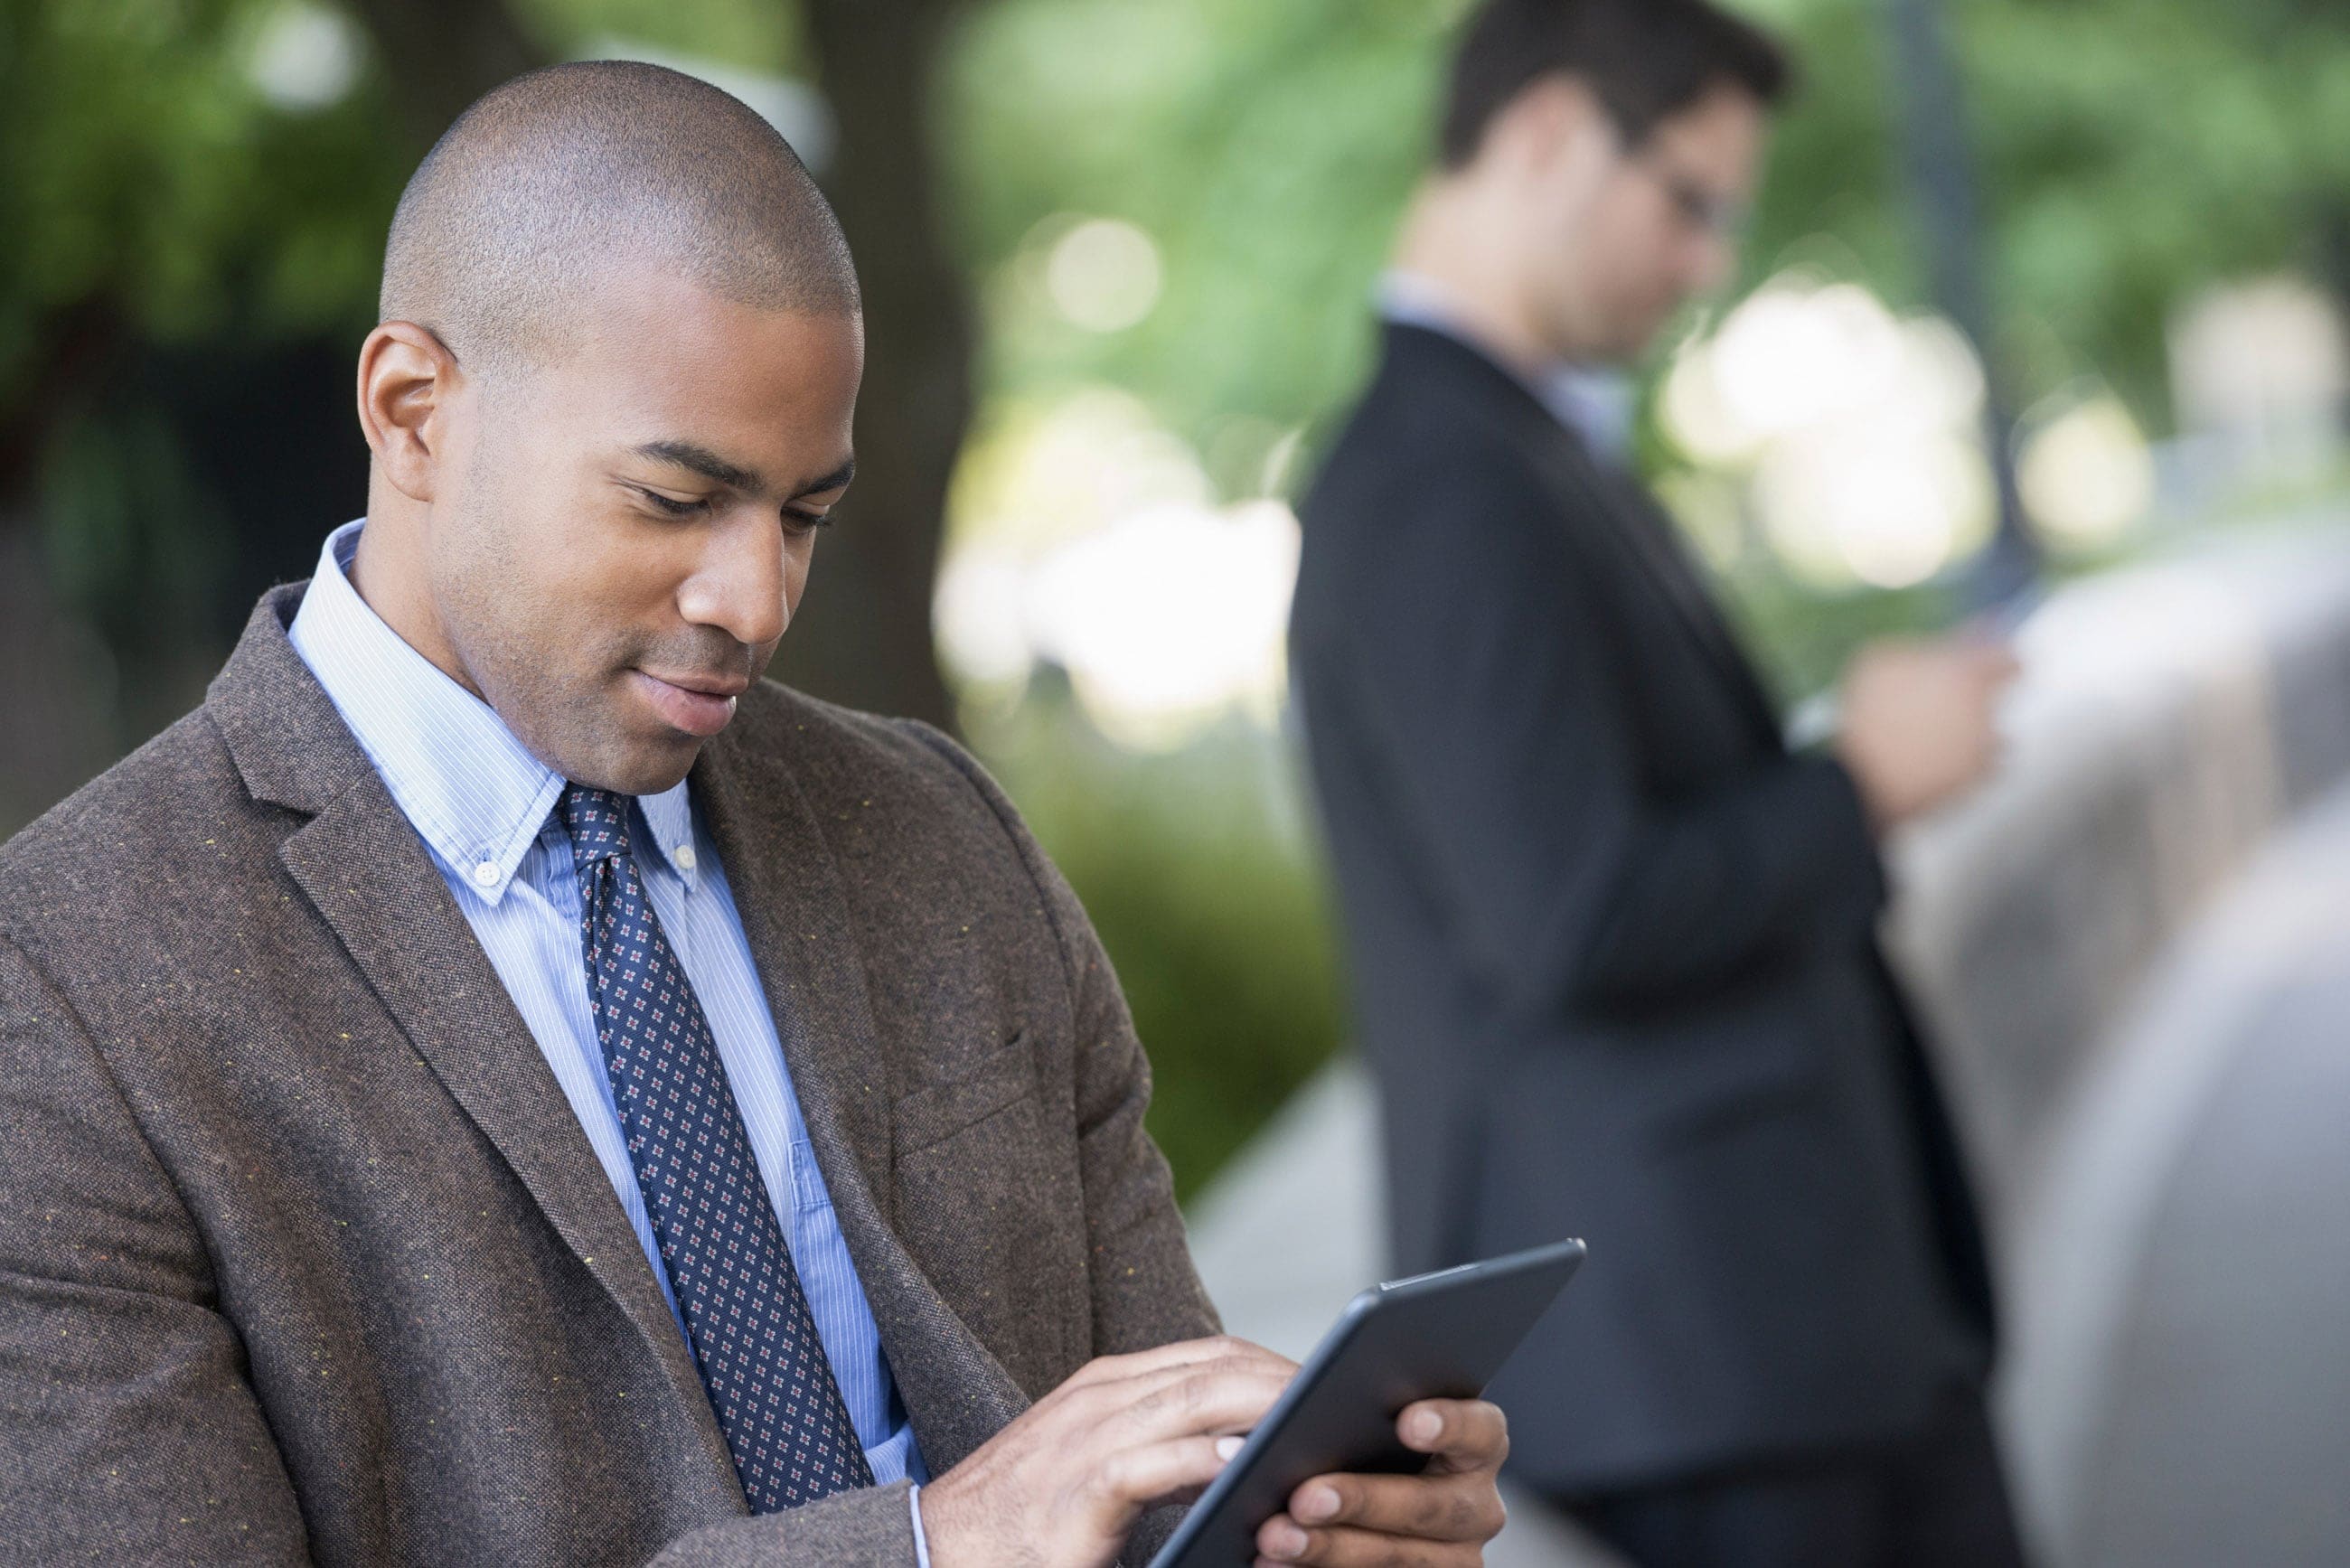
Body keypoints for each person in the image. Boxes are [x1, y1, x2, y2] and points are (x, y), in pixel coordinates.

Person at [0, 62, 1510, 1568]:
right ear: (413, 412)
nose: (754, 599)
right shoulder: (65, 993)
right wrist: (924, 1546)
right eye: (674, 499)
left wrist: (1307, 1519)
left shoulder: (936, 830)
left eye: (804, 515)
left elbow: (1150, 1465)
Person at [1287, 3, 2029, 1565]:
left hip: (1760, 1348)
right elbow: (1571, 914)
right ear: (1552, 130)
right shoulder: (1438, 477)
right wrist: (1865, 783)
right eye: (1688, 201)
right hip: (1701, 1365)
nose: (1705, 263)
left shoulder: (1513, 448)